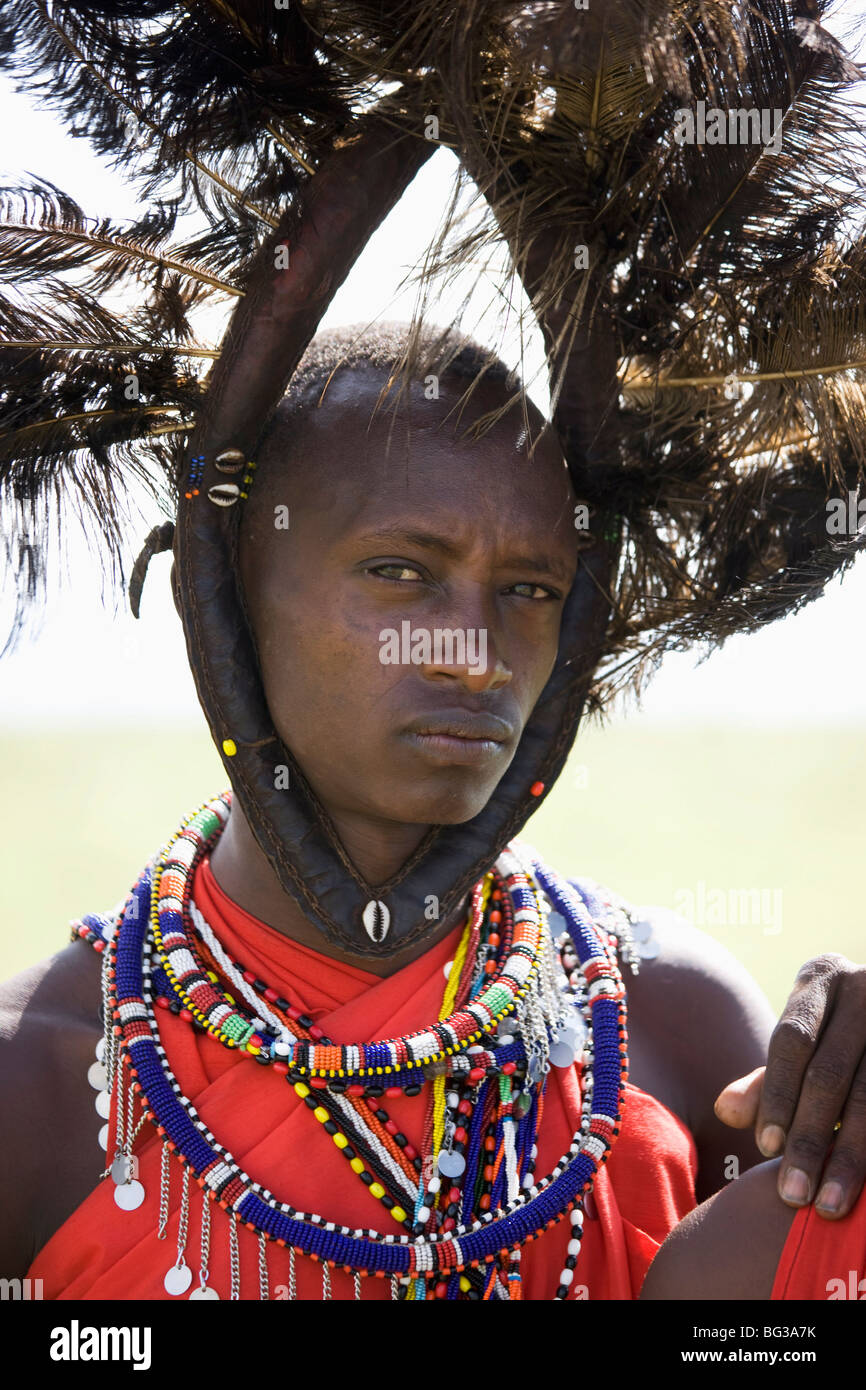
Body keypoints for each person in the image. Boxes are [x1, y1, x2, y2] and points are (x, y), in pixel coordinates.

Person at [2, 326, 865, 1300]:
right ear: (218, 596)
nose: (474, 653)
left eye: (530, 589)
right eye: (400, 571)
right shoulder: (38, 1084)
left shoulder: (669, 1017)